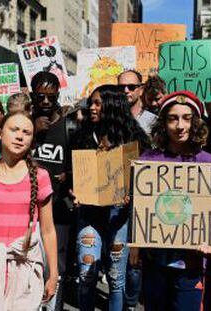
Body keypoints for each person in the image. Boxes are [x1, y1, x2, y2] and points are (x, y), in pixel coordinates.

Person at [73, 84, 150, 311]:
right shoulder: (82, 136)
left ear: (112, 106)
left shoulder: (134, 140)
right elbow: (72, 175)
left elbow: (145, 182)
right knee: (86, 275)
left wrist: (131, 195)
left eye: (98, 103)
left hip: (120, 217)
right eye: (91, 103)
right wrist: (73, 190)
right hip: (89, 214)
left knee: (116, 279)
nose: (92, 108)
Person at [0, 111, 58, 310]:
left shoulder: (41, 176)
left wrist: (53, 275)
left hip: (25, 271)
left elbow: (48, 230)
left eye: (27, 132)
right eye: (14, 129)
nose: (20, 136)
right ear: (0, 132)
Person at [139, 90, 211, 311]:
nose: (180, 126)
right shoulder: (148, 161)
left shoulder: (208, 163)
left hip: (192, 265)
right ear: (163, 123)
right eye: (173, 118)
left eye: (187, 118)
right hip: (155, 263)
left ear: (197, 122)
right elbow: (141, 207)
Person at [30, 71, 76, 310]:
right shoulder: (24, 124)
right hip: (27, 210)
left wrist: (69, 175)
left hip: (59, 210)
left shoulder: (70, 125)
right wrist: (33, 133)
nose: (46, 102)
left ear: (58, 94)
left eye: (50, 96)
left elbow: (82, 162)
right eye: (40, 97)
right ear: (32, 96)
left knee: (56, 266)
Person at [118, 70, 157, 135]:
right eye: (121, 87)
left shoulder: (153, 120)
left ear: (141, 90)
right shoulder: (112, 119)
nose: (126, 90)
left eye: (131, 87)